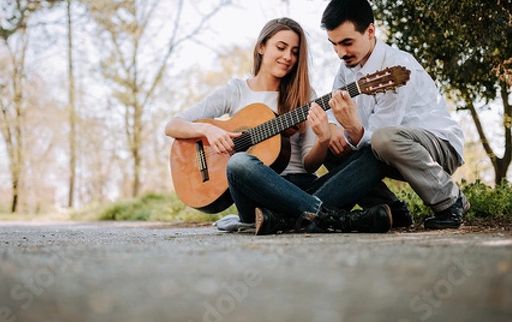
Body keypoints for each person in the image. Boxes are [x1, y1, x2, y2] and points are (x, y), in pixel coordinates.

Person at [165, 17, 392, 235]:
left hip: (303, 189)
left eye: (294, 52)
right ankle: (331, 217)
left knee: (374, 152)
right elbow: (173, 125)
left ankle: (287, 220)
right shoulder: (236, 91)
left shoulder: (306, 96)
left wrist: (323, 139)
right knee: (238, 163)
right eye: (281, 47)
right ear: (262, 47)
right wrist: (208, 130)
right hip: (256, 195)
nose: (288, 57)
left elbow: (309, 165)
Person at [320, 0, 470, 229]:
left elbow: (380, 135)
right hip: (387, 151)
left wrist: (353, 129)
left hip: (437, 148)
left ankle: (450, 200)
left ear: (370, 31)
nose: (340, 53)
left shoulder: (397, 67)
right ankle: (392, 209)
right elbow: (331, 108)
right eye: (334, 45)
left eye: (347, 43)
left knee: (383, 139)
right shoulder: (346, 68)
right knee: (329, 144)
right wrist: (332, 128)